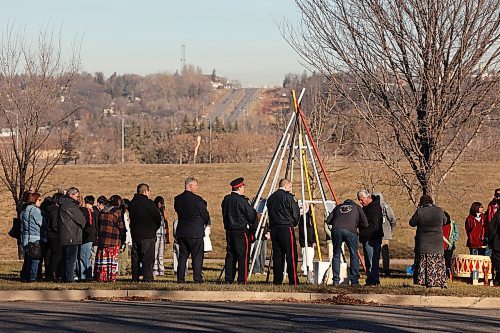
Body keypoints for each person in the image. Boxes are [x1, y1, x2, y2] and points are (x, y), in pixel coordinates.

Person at [174, 177, 210, 283]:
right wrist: (206, 222)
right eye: (196, 185)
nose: (197, 188)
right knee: (197, 257)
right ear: (190, 185)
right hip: (195, 232)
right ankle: (197, 278)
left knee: (183, 256)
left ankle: (180, 278)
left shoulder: (178, 199)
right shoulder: (198, 200)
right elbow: (205, 214)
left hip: (182, 231)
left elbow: (178, 211)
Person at [221, 177, 257, 284]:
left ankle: (229, 279)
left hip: (229, 230)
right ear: (240, 188)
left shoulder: (226, 199)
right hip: (241, 231)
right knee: (243, 256)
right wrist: (253, 228)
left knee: (230, 255)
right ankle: (242, 280)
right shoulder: (242, 200)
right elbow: (251, 215)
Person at [326, 198, 368, 286]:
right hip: (351, 230)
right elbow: (365, 223)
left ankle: (336, 281)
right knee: (353, 254)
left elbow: (328, 220)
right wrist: (356, 224)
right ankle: (354, 281)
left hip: (336, 230)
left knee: (336, 254)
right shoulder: (357, 207)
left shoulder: (338, 207)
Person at [267, 178, 300, 286]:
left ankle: (277, 280)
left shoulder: (271, 198)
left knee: (278, 255)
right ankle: (293, 280)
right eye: (290, 187)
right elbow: (295, 213)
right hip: (286, 228)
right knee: (291, 254)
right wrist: (294, 223)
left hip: (275, 228)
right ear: (286, 186)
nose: (291, 189)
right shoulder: (288, 197)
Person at [409, 195, 447, 288]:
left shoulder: (420, 212)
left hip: (423, 243)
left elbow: (412, 223)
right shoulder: (439, 211)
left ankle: (422, 281)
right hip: (437, 243)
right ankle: (437, 281)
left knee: (423, 261)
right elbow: (445, 221)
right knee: (436, 261)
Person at [129, 183, 161, 282]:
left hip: (135, 234)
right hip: (148, 234)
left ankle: (135, 277)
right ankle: (147, 277)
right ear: (145, 191)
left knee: (135, 258)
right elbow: (157, 218)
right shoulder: (149, 203)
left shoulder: (132, 204)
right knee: (148, 258)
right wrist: (154, 229)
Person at [94, 195, 126, 282]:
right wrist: (123, 238)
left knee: (103, 260)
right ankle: (111, 277)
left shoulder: (102, 211)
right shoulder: (117, 212)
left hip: (102, 240)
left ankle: (101, 277)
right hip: (114, 239)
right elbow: (121, 227)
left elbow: (98, 225)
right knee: (112, 260)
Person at [58, 187, 86, 282]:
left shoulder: (63, 204)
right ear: (72, 195)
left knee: (66, 258)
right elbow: (81, 220)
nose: (78, 198)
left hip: (65, 235)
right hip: (72, 235)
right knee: (71, 259)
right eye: (77, 196)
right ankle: (69, 278)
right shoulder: (70, 205)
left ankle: (65, 277)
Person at [357, 190, 383, 286]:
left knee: (372, 260)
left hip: (373, 238)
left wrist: (363, 233)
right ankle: (370, 279)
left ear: (368, 198)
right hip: (367, 238)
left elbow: (374, 225)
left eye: (361, 199)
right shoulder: (366, 208)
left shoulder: (374, 208)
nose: (360, 202)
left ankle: (374, 280)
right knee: (368, 260)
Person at [20, 193, 46, 282]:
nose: (40, 202)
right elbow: (41, 223)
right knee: (36, 259)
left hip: (25, 238)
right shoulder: (35, 211)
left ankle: (26, 276)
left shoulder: (23, 211)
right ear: (35, 200)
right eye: (39, 200)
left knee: (28, 259)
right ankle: (33, 277)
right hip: (35, 237)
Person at [372, 192, 396, 276]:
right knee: (375, 252)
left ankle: (386, 269)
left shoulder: (386, 207)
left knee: (384, 252)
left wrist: (391, 230)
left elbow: (392, 219)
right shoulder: (372, 207)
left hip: (385, 234)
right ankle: (375, 269)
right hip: (375, 234)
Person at [78, 195, 98, 281]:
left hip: (86, 237)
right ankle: (83, 276)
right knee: (84, 257)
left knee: (84, 258)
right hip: (91, 237)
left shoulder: (85, 211)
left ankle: (87, 275)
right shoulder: (94, 212)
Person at [45, 192, 63, 281]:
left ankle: (50, 273)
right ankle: (53, 273)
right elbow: (55, 224)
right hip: (55, 235)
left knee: (51, 255)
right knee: (57, 255)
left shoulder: (50, 209)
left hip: (50, 234)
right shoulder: (55, 210)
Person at [153, 196, 169, 277]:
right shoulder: (154, 211)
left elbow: (166, 221)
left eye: (161, 203)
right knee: (155, 253)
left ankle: (161, 269)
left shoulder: (162, 212)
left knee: (161, 253)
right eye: (159, 202)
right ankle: (155, 269)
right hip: (156, 234)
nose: (160, 204)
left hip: (162, 235)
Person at [91, 195, 107, 270]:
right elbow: (96, 225)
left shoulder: (97, 211)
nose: (103, 207)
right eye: (102, 205)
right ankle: (92, 271)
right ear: (98, 203)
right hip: (95, 236)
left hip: (96, 236)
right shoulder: (95, 212)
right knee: (94, 255)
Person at [298, 203, 315, 277]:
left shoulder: (305, 217)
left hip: (307, 241)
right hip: (307, 241)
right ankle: (306, 270)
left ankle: (308, 269)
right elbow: (309, 231)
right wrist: (312, 240)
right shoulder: (306, 218)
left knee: (308, 255)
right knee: (307, 255)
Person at [443, 211, 459, 278]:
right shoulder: (438, 224)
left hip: (449, 245)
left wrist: (452, 241)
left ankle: (449, 275)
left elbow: (456, 233)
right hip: (440, 245)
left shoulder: (452, 224)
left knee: (448, 260)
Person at [118, 198, 132, 275]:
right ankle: (120, 271)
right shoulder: (121, 214)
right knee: (121, 256)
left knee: (125, 257)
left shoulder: (126, 214)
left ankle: (122, 271)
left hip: (126, 238)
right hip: (122, 238)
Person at [489, 210, 500, 286]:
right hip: (497, 243)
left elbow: (492, 227)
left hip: (498, 243)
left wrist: (490, 239)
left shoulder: (498, 214)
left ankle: (497, 280)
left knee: (497, 262)